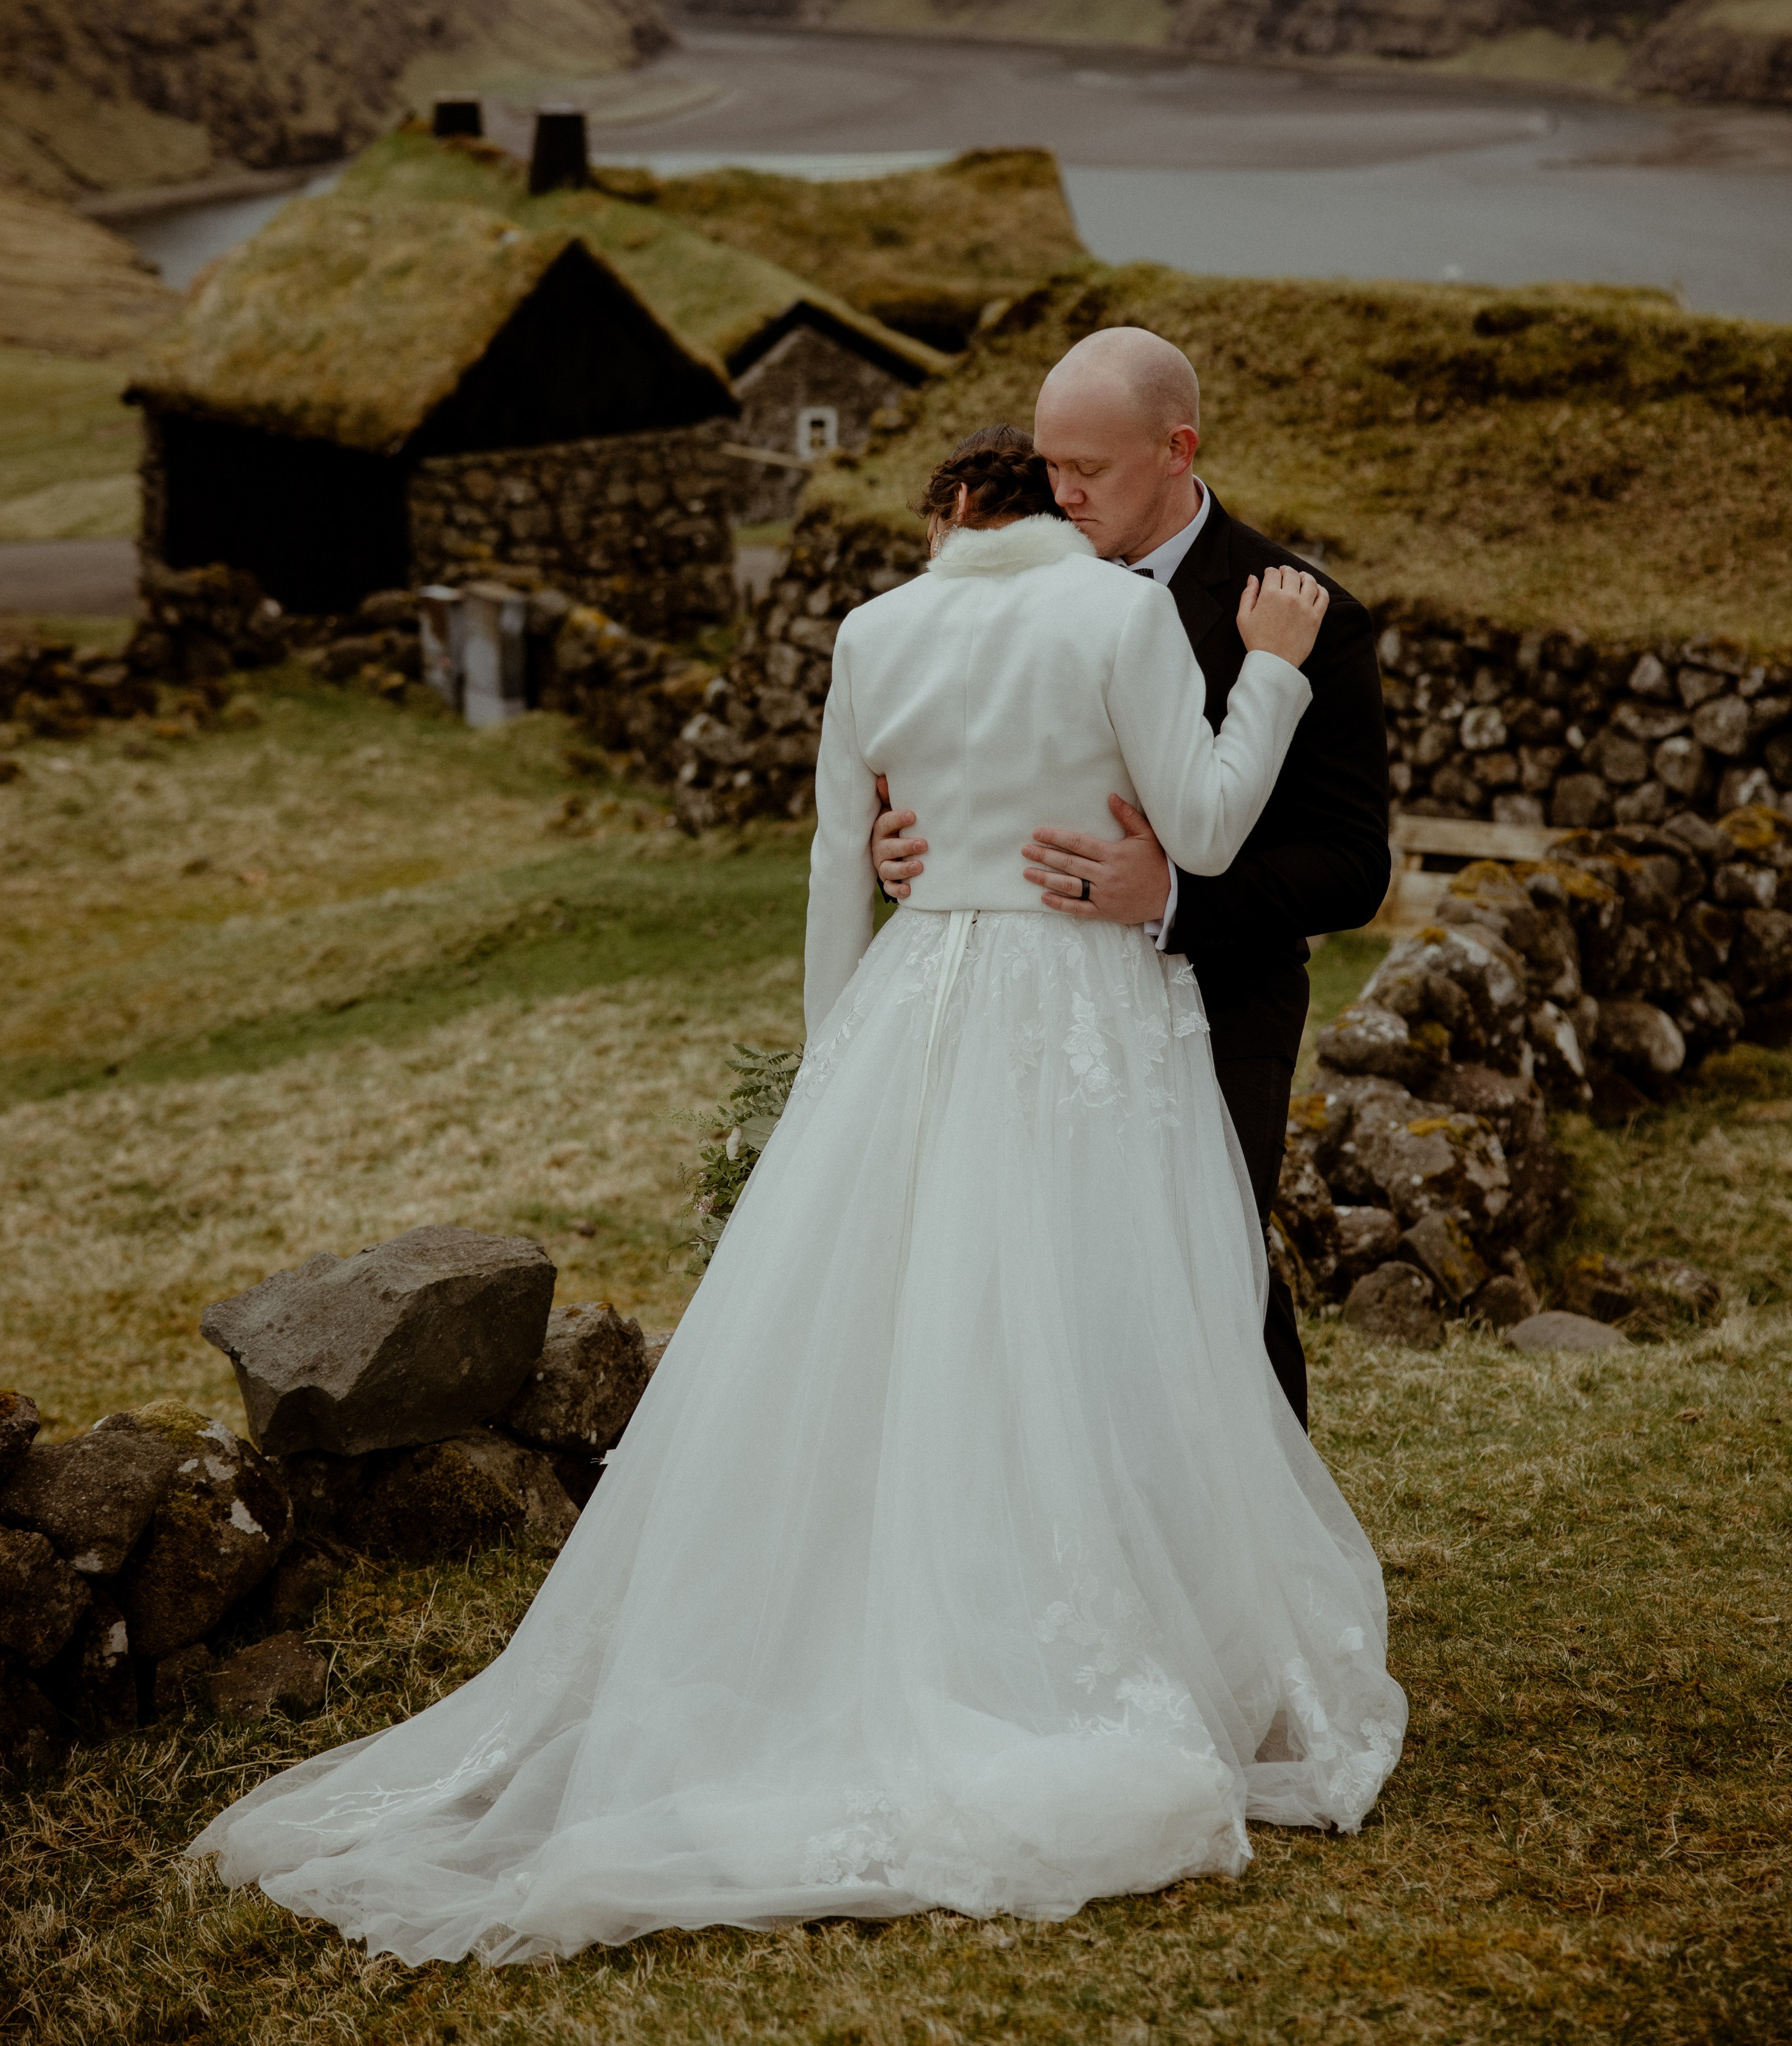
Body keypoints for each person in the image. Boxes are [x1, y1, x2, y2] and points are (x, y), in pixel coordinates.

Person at [191, 425, 1404, 1962]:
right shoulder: (1112, 609)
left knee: (920, 1319)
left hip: (915, 1002)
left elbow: (842, 856)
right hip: (1082, 1008)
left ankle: (892, 1623)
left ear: (946, 515)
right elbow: (1212, 825)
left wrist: (837, 1076)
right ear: (1046, 501)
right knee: (1100, 1308)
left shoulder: (871, 627)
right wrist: (1271, 679)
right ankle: (1117, 1638)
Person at [873, 331, 1392, 1429]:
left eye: (1089, 470)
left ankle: (1246, 1552)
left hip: (1222, 997)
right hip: (1021, 1001)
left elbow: (1352, 866)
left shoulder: (1304, 616)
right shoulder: (1013, 574)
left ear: (1176, 449)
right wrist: (894, 843)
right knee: (1023, 1278)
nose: (1060, 494)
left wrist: (1168, 898)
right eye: (1051, 463)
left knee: (1206, 1278)